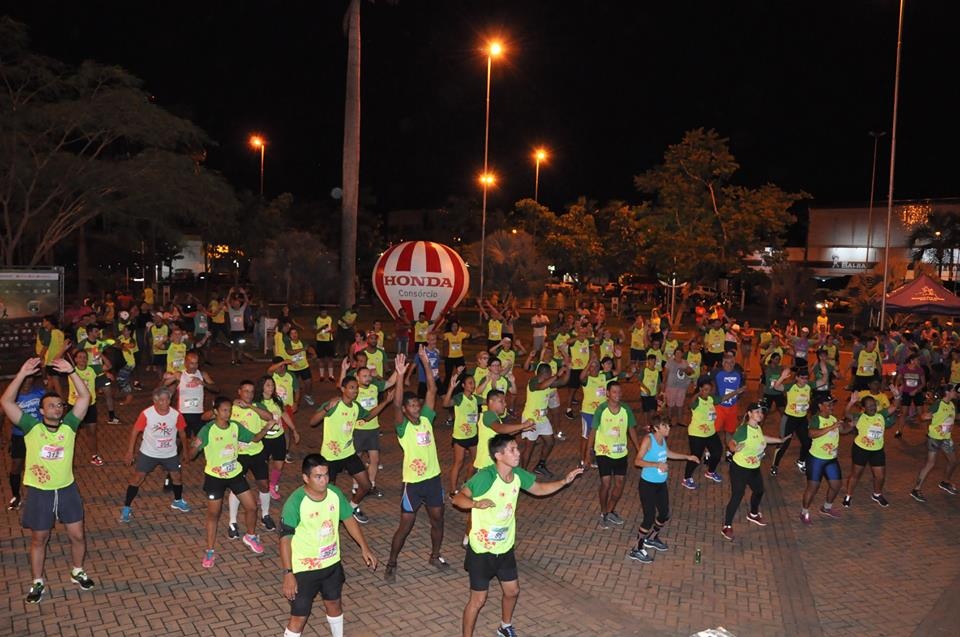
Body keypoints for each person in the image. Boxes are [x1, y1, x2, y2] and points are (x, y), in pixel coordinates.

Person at [452, 434, 583, 637]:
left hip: (505, 548)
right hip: (482, 551)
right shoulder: (486, 477)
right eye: (512, 449)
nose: (518, 452)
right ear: (498, 455)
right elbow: (459, 499)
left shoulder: (518, 474)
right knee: (478, 600)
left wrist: (564, 481)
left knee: (512, 591)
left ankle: (505, 627)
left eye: (517, 448)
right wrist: (476, 503)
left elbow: (538, 489)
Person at [1, 357, 96, 603]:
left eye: (59, 405)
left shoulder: (70, 426)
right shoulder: (32, 427)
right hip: (40, 492)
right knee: (39, 539)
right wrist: (21, 373)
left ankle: (77, 570)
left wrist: (72, 372)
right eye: (51, 405)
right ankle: (37, 581)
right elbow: (6, 401)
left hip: (67, 490)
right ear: (41, 411)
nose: (57, 408)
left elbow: (85, 398)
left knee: (77, 535)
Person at [279, 454, 377, 637]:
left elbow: (348, 518)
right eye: (318, 476)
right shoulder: (295, 502)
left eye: (326, 474)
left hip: (331, 564)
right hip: (304, 569)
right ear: (306, 478)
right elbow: (285, 539)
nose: (324, 480)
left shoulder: (335, 493)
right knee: (299, 618)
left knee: (334, 603)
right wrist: (288, 573)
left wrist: (365, 547)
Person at [383, 351, 449, 580]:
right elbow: (397, 402)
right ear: (405, 409)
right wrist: (400, 376)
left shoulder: (427, 420)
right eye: (411, 405)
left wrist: (425, 362)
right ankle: (391, 562)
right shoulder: (403, 428)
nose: (415, 407)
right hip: (412, 483)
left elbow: (432, 390)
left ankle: (435, 555)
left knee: (438, 519)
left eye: (416, 404)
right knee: (405, 526)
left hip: (432, 480)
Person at [191, 396, 272, 568]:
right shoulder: (208, 430)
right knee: (214, 514)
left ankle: (250, 536)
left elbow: (255, 439)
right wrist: (194, 446)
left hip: (235, 473)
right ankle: (210, 551)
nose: (228, 413)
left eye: (230, 410)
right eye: (224, 410)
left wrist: (266, 427)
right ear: (216, 411)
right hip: (214, 477)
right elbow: (191, 454)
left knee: (251, 506)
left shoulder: (235, 427)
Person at [308, 365, 394, 524]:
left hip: (349, 453)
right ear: (343, 389)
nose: (355, 391)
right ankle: (324, 518)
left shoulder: (355, 407)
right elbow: (313, 422)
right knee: (327, 491)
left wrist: (385, 402)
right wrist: (326, 408)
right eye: (352, 388)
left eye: (356, 388)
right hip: (330, 457)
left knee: (366, 485)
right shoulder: (333, 404)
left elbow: (368, 417)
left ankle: (352, 506)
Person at [629, 418, 699, 563]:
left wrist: (687, 456)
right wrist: (656, 465)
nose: (668, 428)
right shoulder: (648, 440)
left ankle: (652, 538)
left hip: (661, 484)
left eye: (668, 425)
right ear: (656, 427)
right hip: (647, 484)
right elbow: (637, 461)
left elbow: (668, 453)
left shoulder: (662, 440)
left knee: (664, 514)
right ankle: (636, 548)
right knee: (648, 518)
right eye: (664, 426)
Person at [120, 387, 190, 522]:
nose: (165, 403)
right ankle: (127, 507)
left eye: (167, 400)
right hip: (149, 453)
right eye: (162, 401)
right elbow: (135, 431)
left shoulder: (176, 414)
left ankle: (178, 500)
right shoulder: (146, 414)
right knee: (137, 478)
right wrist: (130, 451)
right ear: (155, 401)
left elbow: (182, 433)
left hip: (169, 453)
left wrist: (186, 451)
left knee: (177, 477)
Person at [721, 402, 784, 541]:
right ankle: (727, 526)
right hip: (740, 468)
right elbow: (732, 442)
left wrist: (778, 440)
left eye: (761, 412)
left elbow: (762, 439)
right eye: (757, 412)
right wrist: (733, 448)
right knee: (737, 496)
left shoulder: (757, 428)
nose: (760, 414)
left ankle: (753, 514)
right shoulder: (744, 429)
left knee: (759, 490)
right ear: (749, 413)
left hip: (754, 467)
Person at [227, 380, 280, 535]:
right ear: (239, 391)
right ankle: (232, 522)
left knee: (264, 484)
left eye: (251, 391)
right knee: (237, 488)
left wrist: (250, 406)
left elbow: (270, 416)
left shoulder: (257, 406)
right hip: (238, 454)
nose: (249, 394)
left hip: (257, 452)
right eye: (245, 391)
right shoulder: (232, 408)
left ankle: (265, 515)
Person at [588, 381, 640, 529]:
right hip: (603, 452)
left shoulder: (626, 410)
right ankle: (603, 512)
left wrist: (638, 449)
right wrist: (588, 453)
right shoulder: (601, 410)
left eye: (619, 392)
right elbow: (592, 432)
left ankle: (610, 511)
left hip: (621, 453)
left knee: (619, 485)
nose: (618, 395)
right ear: (608, 394)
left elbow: (631, 429)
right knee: (606, 483)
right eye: (614, 392)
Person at [842, 391, 900, 508]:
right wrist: (852, 402)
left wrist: (897, 396)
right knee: (856, 474)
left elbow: (894, 407)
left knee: (880, 476)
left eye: (873, 405)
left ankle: (877, 494)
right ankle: (848, 495)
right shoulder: (859, 417)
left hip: (877, 450)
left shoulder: (881, 415)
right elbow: (846, 413)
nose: (872, 408)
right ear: (863, 408)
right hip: (861, 449)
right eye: (869, 406)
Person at [800, 395, 850, 524]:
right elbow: (811, 434)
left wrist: (852, 425)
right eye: (828, 404)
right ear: (820, 406)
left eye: (832, 404)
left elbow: (843, 430)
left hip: (831, 459)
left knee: (836, 485)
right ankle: (804, 512)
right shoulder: (816, 419)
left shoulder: (833, 418)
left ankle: (826, 508)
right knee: (813, 488)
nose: (831, 407)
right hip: (816, 459)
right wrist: (831, 427)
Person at [352, 363, 399, 498]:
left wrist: (398, 369)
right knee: (357, 459)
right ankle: (356, 486)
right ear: (357, 377)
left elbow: (390, 382)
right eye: (364, 376)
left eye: (369, 376)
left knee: (375, 459)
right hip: (358, 430)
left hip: (373, 429)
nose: (367, 378)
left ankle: (371, 485)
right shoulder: (354, 391)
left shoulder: (374, 387)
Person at [519, 357, 570, 477]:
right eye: (549, 374)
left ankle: (540, 465)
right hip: (530, 420)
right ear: (544, 374)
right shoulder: (533, 382)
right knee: (529, 447)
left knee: (550, 442)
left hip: (542, 419)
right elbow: (541, 386)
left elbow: (564, 382)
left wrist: (569, 369)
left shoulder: (549, 383)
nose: (551, 376)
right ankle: (523, 473)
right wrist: (557, 375)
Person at [3, 372, 45, 510]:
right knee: (16, 465)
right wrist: (8, 438)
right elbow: (5, 417)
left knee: (41, 465)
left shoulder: (40, 393)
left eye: (30, 378)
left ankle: (43, 494)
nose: (27, 382)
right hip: (19, 436)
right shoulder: (13, 397)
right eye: (25, 379)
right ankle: (16, 496)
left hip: (37, 435)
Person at [910, 384, 958, 502]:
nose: (955, 392)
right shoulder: (938, 404)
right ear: (947, 392)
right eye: (953, 390)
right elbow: (923, 416)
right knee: (930, 463)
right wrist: (927, 416)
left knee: (953, 461)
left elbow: (953, 417)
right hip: (935, 438)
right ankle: (916, 489)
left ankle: (945, 482)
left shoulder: (952, 405)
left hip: (946, 438)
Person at [255, 376, 300, 502]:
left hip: (278, 437)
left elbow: (284, 415)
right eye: (268, 385)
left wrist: (294, 430)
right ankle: (263, 491)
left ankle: (272, 486)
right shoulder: (257, 403)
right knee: (262, 466)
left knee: (279, 465)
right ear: (262, 387)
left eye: (272, 385)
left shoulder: (277, 400)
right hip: (264, 438)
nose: (271, 388)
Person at [444, 366, 482, 496]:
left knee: (476, 461)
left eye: (474, 383)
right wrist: (451, 387)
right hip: (460, 437)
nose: (473, 385)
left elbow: (489, 400)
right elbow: (445, 403)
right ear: (464, 385)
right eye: (470, 383)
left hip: (473, 436)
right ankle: (452, 490)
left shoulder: (476, 399)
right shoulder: (460, 398)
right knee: (458, 462)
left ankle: (467, 482)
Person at [769, 367, 813, 475]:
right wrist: (782, 377)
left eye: (806, 378)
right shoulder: (791, 387)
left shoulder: (808, 387)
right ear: (797, 378)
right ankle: (775, 465)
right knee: (784, 443)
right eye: (802, 378)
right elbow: (776, 387)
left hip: (802, 419)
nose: (804, 381)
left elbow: (822, 381)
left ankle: (801, 461)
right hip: (789, 419)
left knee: (807, 442)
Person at [682, 378, 723, 490]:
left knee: (717, 452)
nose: (707, 392)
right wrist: (697, 395)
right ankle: (687, 478)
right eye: (705, 390)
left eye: (709, 390)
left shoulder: (710, 399)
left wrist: (736, 392)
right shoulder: (696, 401)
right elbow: (690, 404)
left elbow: (722, 398)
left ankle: (710, 472)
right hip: (696, 434)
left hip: (710, 432)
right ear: (700, 389)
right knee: (695, 457)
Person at [711, 351, 746, 459]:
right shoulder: (716, 373)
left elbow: (742, 388)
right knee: (713, 432)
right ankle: (709, 453)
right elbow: (707, 386)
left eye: (732, 363)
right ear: (722, 362)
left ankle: (728, 452)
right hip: (718, 407)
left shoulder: (738, 373)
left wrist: (736, 398)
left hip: (732, 407)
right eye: (727, 362)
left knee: (730, 431)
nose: (729, 365)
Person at [314, 308, 336, 382]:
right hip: (320, 341)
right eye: (323, 312)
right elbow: (315, 331)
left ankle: (331, 375)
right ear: (320, 312)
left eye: (325, 312)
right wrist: (322, 328)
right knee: (321, 359)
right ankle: (321, 376)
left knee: (330, 358)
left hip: (329, 340)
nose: (324, 313)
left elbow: (331, 329)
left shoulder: (329, 318)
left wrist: (331, 331)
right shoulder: (317, 319)